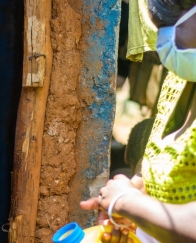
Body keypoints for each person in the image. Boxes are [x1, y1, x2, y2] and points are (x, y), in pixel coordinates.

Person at [80, 0, 196, 242]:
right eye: (159, 29)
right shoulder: (179, 80)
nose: (163, 41)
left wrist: (129, 202)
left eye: (170, 25)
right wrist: (131, 193)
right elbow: (160, 164)